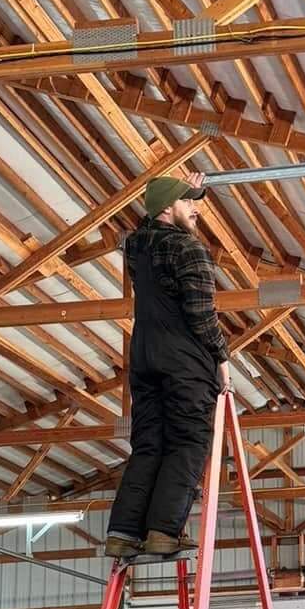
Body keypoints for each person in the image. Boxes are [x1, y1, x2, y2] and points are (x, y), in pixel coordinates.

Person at [105, 169, 230, 560]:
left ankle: (123, 532)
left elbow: (148, 223)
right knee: (189, 442)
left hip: (143, 358)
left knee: (148, 445)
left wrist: (179, 186)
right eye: (188, 202)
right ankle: (163, 532)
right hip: (184, 361)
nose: (196, 211)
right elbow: (201, 314)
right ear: (166, 208)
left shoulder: (135, 247)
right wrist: (222, 358)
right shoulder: (189, 250)